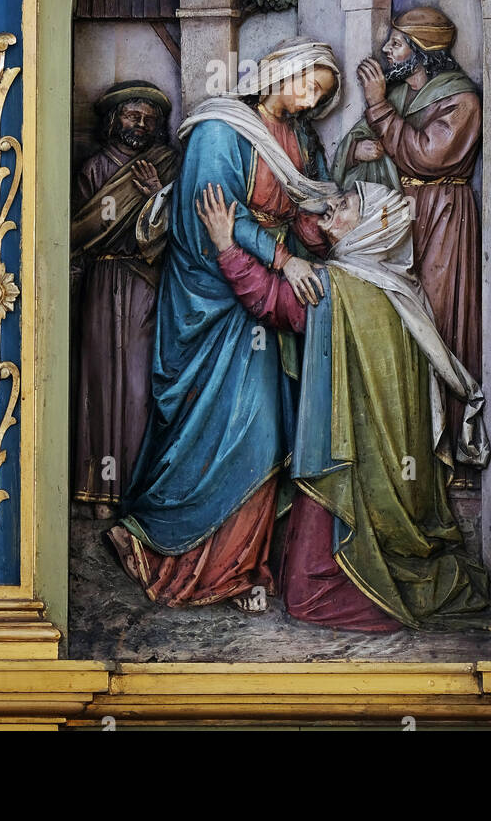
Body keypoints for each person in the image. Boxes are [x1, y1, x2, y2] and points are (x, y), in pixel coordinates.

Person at [194, 180, 491, 631]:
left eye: (345, 206)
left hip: (348, 459)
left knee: (306, 593)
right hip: (395, 469)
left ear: (374, 225)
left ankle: (358, 580)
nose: (330, 212)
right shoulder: (401, 292)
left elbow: (272, 303)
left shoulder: (334, 285)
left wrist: (226, 246)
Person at [110, 39, 342, 612]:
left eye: (321, 95)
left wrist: (324, 235)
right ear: (281, 70)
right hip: (214, 298)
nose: (310, 101)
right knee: (225, 431)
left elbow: (308, 206)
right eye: (308, 84)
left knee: (268, 433)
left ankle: (244, 568)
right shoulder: (221, 128)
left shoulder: (303, 139)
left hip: (265, 300)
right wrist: (282, 259)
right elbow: (213, 215)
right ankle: (162, 544)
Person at [335, 7, 483, 450]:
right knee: (397, 314)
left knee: (437, 316)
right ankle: (406, 439)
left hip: (441, 216)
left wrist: (378, 106)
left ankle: (449, 440)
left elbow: (427, 155)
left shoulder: (461, 100)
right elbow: (355, 143)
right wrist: (356, 152)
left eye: (397, 43)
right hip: (396, 218)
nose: (386, 49)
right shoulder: (398, 95)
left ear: (422, 50)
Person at [71, 81, 178, 517]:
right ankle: (97, 491)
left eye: (150, 120)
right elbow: (78, 229)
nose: (142, 125)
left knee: (138, 384)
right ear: (116, 120)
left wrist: (155, 196)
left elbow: (178, 232)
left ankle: (135, 489)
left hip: (144, 280)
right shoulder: (96, 168)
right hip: (101, 281)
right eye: (134, 117)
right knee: (98, 380)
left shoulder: (166, 165)